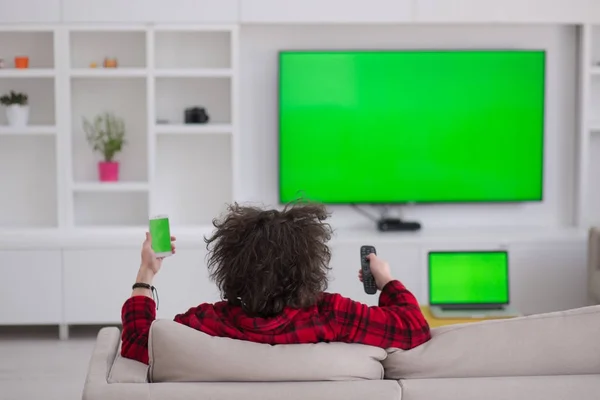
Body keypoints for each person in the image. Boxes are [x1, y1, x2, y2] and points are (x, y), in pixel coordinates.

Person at [121, 203, 431, 364]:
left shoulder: (206, 322)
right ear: (310, 264)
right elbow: (415, 328)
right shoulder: (334, 315)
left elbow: (137, 341)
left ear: (230, 266)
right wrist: (386, 280)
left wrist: (146, 271)